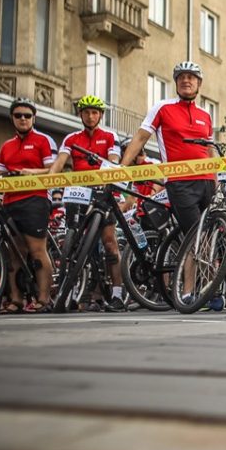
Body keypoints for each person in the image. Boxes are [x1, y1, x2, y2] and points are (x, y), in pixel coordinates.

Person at [0, 98, 57, 313]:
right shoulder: (7, 145)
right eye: (18, 115)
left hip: (35, 200)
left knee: (37, 250)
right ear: (12, 118)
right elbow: (0, 174)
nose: (22, 119)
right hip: (10, 201)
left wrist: (31, 172)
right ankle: (16, 300)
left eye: (27, 116)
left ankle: (44, 299)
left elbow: (52, 169)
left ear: (33, 118)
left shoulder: (43, 140)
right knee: (13, 253)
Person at [49, 95, 126, 312]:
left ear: (100, 115)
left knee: (109, 242)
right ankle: (74, 291)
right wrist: (49, 182)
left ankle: (118, 294)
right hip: (78, 192)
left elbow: (113, 161)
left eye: (94, 112)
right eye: (86, 112)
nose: (90, 116)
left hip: (101, 192)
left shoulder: (110, 136)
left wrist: (103, 165)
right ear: (80, 115)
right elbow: (59, 164)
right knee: (73, 243)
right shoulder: (71, 138)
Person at [121, 61, 215, 234]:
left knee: (211, 233)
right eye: (181, 77)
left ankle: (204, 261)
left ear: (199, 83)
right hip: (180, 181)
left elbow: (210, 150)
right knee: (195, 234)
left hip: (207, 181)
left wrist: (217, 182)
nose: (186, 80)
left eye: (191, 77)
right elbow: (141, 137)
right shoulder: (163, 107)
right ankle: (191, 261)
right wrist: (121, 169)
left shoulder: (206, 114)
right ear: (176, 83)